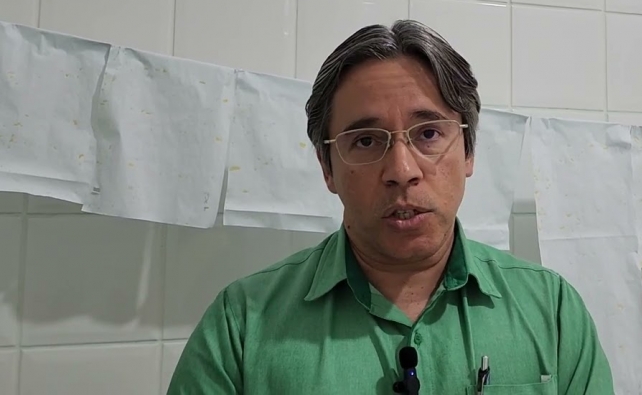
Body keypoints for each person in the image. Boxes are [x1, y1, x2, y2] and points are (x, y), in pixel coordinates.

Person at [166, 20, 614, 394]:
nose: (402, 170)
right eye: (365, 140)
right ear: (327, 167)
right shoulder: (243, 323)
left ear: (469, 151)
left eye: (429, 134)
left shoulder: (551, 310)